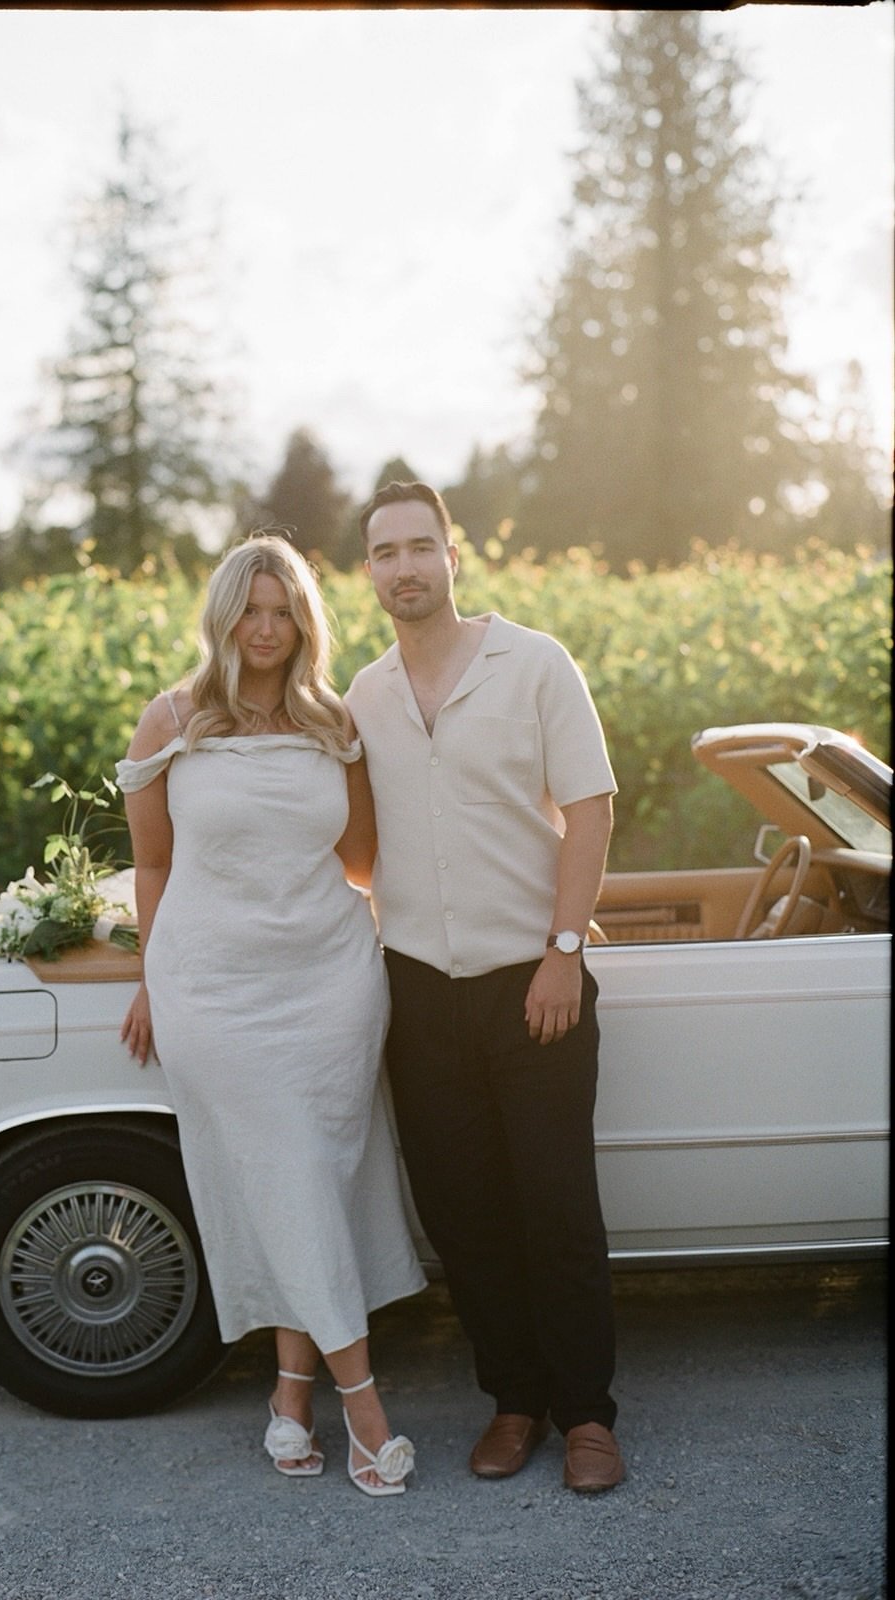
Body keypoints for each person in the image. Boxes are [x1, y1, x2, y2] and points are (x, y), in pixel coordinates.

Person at [116, 532, 426, 1497]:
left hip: (331, 984)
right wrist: (150, 978)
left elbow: (363, 861)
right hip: (213, 989)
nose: (265, 628)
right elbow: (154, 864)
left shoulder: (335, 723)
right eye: (250, 610)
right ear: (222, 616)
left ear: (305, 622)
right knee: (291, 1173)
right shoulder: (171, 720)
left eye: (283, 611)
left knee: (310, 1184)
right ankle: (365, 1410)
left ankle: (292, 1396)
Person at [344, 481, 625, 1494]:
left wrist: (563, 950)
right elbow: (356, 852)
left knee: (557, 1207)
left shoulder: (535, 664)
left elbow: (591, 811)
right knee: (464, 1217)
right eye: (385, 552)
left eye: (421, 546)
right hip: (419, 991)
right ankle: (514, 1401)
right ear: (369, 572)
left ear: (452, 557)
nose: (405, 567)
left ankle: (587, 1416)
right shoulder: (364, 696)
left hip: (533, 981)